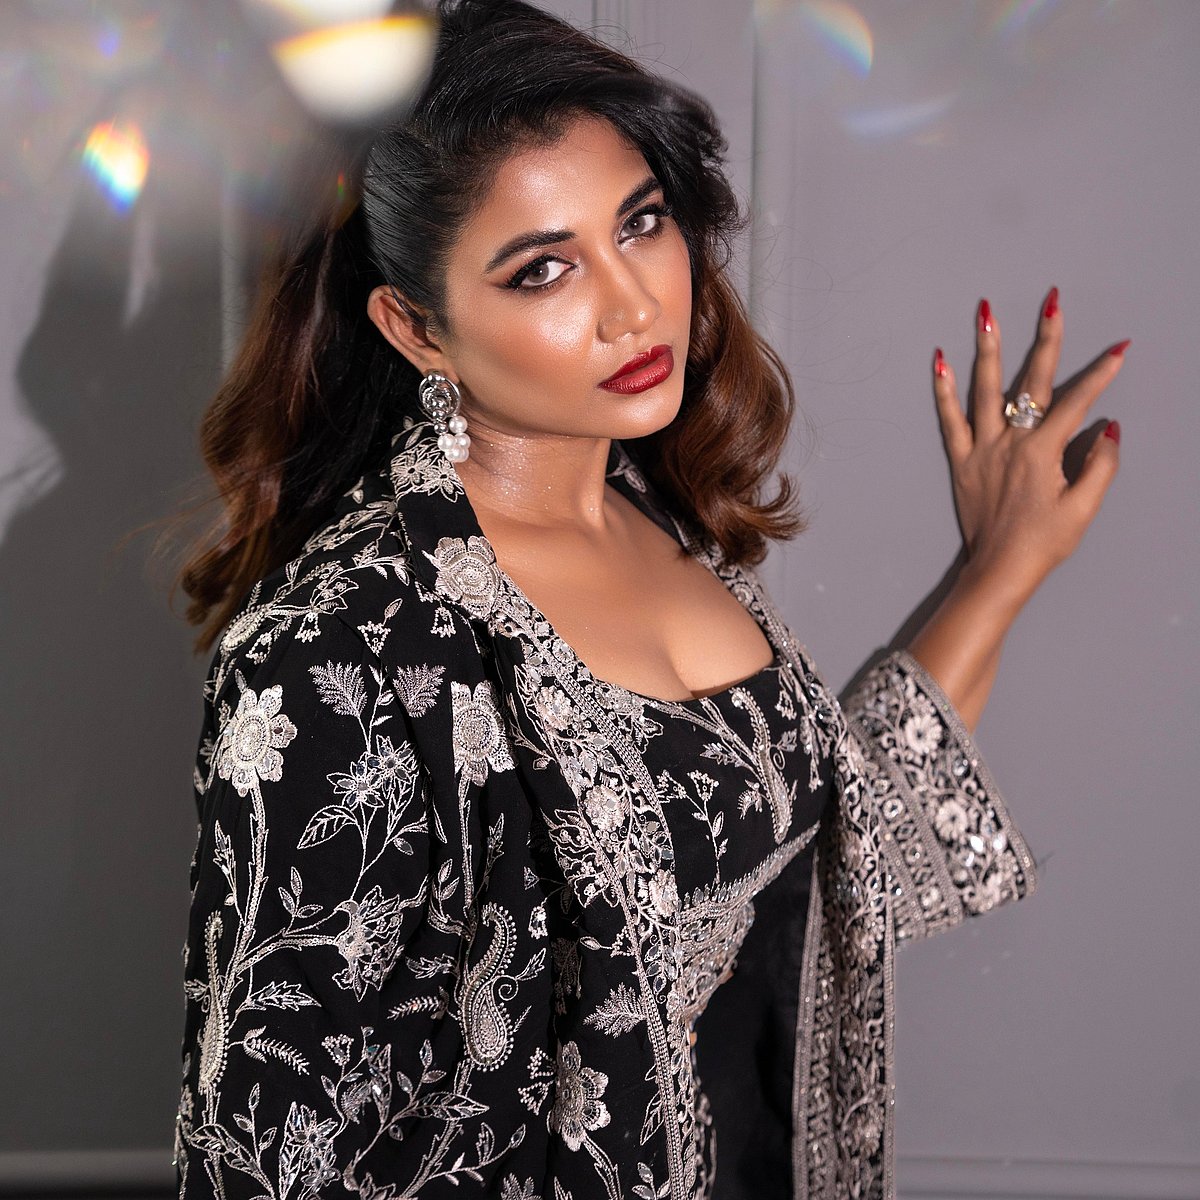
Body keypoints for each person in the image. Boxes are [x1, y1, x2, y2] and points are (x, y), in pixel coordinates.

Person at [171, 2, 1125, 1196]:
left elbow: (818, 856)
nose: (631, 303)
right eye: (544, 269)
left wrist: (1001, 564)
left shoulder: (658, 522)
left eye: (641, 222)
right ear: (418, 328)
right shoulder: (337, 648)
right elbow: (269, 1153)